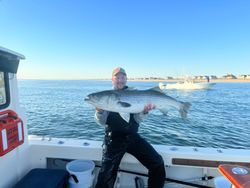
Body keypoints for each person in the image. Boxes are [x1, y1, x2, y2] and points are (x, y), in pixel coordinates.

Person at [94, 67, 166, 188]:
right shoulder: (106, 96)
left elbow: (137, 119)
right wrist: (99, 111)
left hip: (133, 138)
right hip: (114, 140)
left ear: (126, 79)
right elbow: (101, 122)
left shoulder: (135, 93)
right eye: (117, 77)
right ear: (112, 79)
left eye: (123, 77)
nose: (120, 80)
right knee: (106, 176)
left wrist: (145, 111)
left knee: (157, 163)